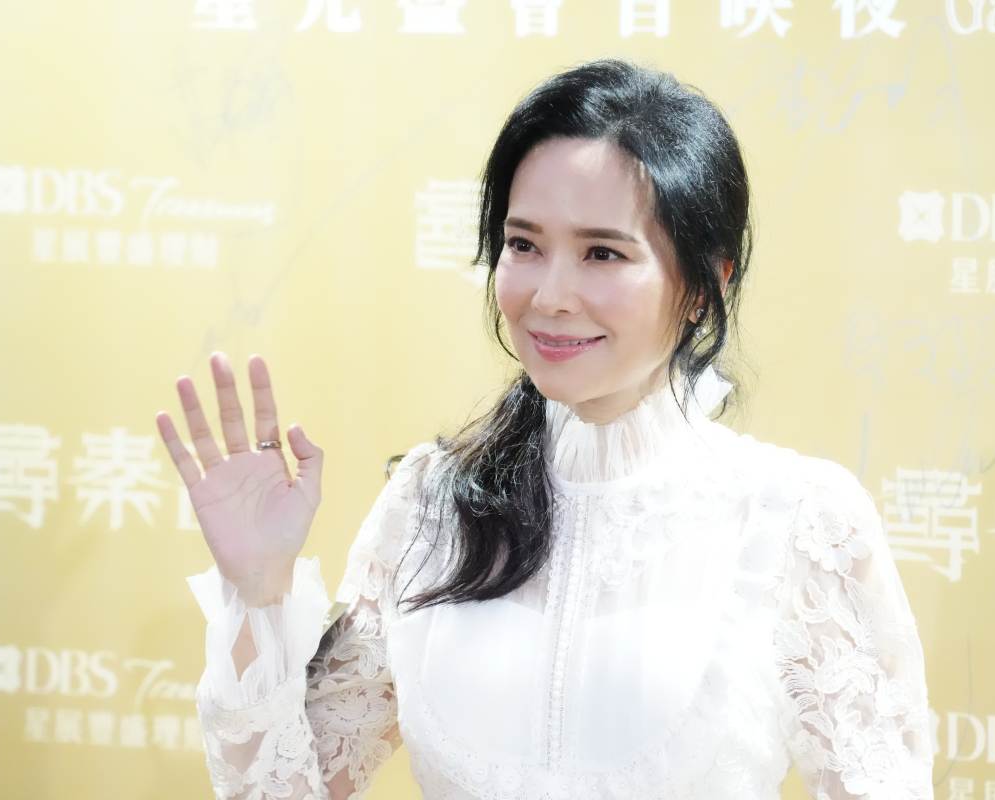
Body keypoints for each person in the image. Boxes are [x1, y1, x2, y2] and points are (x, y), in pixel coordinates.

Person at [157, 58, 934, 799]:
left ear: (707, 283)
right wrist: (256, 590)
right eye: (524, 245)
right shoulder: (428, 504)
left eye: (602, 253)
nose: (551, 296)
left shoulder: (796, 521)